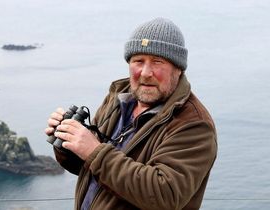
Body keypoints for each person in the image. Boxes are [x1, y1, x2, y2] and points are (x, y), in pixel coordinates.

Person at [45, 17, 217, 210]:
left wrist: (94, 151)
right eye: (138, 61)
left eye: (157, 62)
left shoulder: (193, 124)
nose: (145, 72)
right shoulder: (119, 98)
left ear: (178, 69)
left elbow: (164, 195)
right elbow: (96, 170)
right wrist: (69, 143)